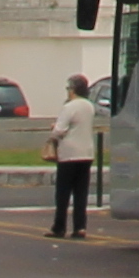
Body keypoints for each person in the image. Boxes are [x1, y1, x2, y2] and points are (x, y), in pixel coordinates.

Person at [48, 73, 98, 239]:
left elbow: (60, 130)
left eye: (68, 88)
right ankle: (80, 226)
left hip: (69, 154)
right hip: (86, 153)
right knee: (81, 192)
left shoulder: (70, 107)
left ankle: (59, 226)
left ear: (73, 89)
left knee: (63, 193)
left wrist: (53, 130)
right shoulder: (89, 106)